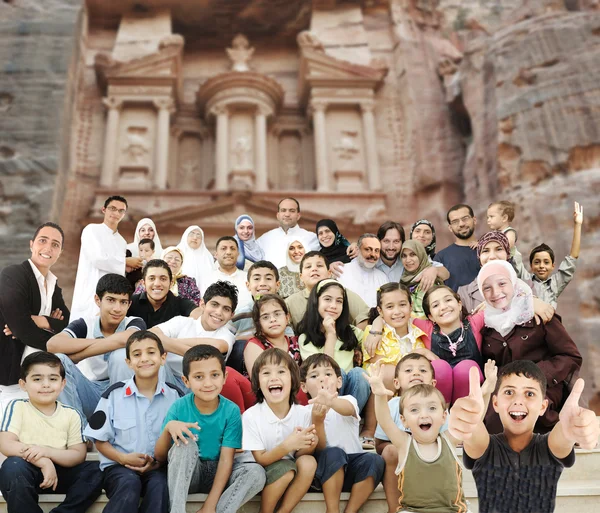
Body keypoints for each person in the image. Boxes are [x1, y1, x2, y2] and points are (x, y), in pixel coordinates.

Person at [449, 361, 599, 513]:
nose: (518, 401)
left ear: (542, 406)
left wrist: (570, 429)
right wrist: (468, 420)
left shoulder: (547, 447)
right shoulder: (487, 448)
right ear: (495, 403)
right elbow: (475, 434)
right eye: (509, 392)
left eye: (529, 394)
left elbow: (561, 438)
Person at [155, 345, 266, 513]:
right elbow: (160, 457)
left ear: (224, 377)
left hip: (220, 471)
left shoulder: (231, 410)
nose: (208, 383)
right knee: (185, 444)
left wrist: (209, 505)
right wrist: (168, 428)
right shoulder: (179, 407)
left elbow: (226, 460)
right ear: (186, 381)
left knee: (256, 473)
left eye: (214, 375)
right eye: (199, 377)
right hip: (190, 474)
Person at [477, 261, 582, 433]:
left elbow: (570, 355)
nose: (496, 292)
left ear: (514, 283)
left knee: (535, 411)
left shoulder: (539, 315)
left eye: (502, 283)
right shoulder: (486, 325)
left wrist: (536, 375)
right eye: (487, 288)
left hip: (544, 385)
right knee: (494, 416)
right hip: (505, 389)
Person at [83, 331, 182, 513]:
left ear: (163, 357)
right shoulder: (113, 395)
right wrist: (122, 458)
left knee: (160, 487)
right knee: (128, 484)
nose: (144, 358)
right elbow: (100, 440)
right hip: (118, 467)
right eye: (137, 354)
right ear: (128, 363)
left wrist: (158, 463)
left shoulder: (176, 397)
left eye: (151, 352)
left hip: (159, 468)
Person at [0, 352, 104, 512]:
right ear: (23, 384)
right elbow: (6, 443)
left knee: (96, 471)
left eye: (53, 379)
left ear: (63, 384)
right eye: (37, 379)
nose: (46, 385)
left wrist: (47, 452)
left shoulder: (71, 413)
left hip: (63, 472)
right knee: (12, 466)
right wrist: (43, 461)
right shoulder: (17, 407)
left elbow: (78, 454)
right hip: (27, 471)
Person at [364, 361, 470, 513]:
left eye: (432, 408)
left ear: (444, 417)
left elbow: (473, 419)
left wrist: (485, 393)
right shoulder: (404, 444)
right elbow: (384, 420)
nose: (424, 415)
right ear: (404, 420)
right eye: (415, 410)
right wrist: (379, 395)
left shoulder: (449, 440)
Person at [47, 274, 146, 420]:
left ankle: (123, 424)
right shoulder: (85, 324)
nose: (117, 308)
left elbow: (125, 339)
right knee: (59, 360)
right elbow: (52, 345)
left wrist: (79, 355)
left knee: (120, 354)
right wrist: (104, 343)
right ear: (97, 300)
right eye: (111, 300)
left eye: (123, 302)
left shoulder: (134, 322)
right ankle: (79, 431)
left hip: (124, 390)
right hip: (92, 391)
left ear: (129, 304)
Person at [150, 281, 254, 413]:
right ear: (202, 304)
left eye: (226, 309)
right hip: (169, 378)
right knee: (155, 360)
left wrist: (167, 343)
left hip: (198, 387)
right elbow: (151, 336)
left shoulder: (226, 336)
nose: (218, 312)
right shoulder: (181, 322)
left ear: (232, 315)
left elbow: (213, 349)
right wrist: (165, 342)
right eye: (214, 305)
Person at [301, 354, 385, 513]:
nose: (322, 379)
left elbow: (348, 409)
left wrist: (331, 401)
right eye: (314, 376)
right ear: (304, 386)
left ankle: (350, 510)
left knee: (374, 459)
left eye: (328, 374)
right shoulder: (304, 412)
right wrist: (317, 422)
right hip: (325, 473)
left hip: (354, 467)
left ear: (339, 382)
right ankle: (332, 510)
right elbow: (320, 448)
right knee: (333, 452)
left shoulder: (348, 400)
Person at [297, 279, 375, 444]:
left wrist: (377, 328)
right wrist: (330, 335)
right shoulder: (306, 338)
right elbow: (324, 370)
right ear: (316, 301)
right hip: (323, 391)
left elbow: (374, 335)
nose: (333, 305)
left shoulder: (352, 332)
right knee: (337, 372)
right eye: (327, 299)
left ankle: (351, 421)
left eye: (338, 301)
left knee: (359, 374)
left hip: (348, 395)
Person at [242, 348, 317, 513]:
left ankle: (283, 511)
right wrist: (288, 444)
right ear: (258, 383)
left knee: (308, 462)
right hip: (258, 472)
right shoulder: (251, 416)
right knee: (285, 470)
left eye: (281, 371)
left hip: (291, 470)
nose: (274, 377)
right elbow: (260, 460)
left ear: (293, 379)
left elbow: (301, 455)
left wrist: (309, 443)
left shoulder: (303, 413)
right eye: (266, 373)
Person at [0, 222, 69, 387]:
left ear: (60, 252)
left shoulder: (53, 285)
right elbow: (22, 329)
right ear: (32, 245)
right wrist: (55, 335)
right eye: (42, 240)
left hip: (41, 373)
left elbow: (67, 323)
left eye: (55, 244)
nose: (48, 248)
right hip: (10, 375)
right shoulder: (13, 275)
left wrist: (42, 321)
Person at [71, 195, 141, 321]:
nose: (116, 213)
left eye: (121, 211)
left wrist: (127, 268)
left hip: (111, 296)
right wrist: (125, 262)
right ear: (104, 210)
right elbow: (97, 259)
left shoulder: (121, 241)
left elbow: (116, 270)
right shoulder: (91, 230)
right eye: (113, 208)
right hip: (90, 289)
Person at [512, 201, 583, 309]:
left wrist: (577, 225)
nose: (541, 266)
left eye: (546, 262)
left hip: (549, 324)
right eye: (537, 262)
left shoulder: (555, 284)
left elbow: (573, 257)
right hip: (529, 324)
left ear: (552, 266)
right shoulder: (526, 281)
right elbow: (515, 256)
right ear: (531, 265)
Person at [362, 283, 428, 391]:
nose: (397, 312)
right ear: (380, 311)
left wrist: (427, 353)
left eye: (402, 305)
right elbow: (378, 365)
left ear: (411, 306)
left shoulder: (419, 333)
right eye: (390, 307)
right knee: (389, 372)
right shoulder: (373, 333)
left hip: (414, 392)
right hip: (382, 393)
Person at [286, 252, 370, 332]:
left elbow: (364, 315)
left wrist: (354, 342)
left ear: (329, 273)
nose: (314, 269)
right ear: (301, 276)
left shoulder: (342, 293)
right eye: (308, 267)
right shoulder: (290, 302)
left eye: (319, 265)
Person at [128, 260, 199, 329]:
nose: (157, 284)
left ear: (171, 283)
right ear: (143, 283)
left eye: (163, 279)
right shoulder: (131, 302)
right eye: (152, 278)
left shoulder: (180, 303)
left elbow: (198, 313)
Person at [243, 294, 301, 379]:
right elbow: (259, 381)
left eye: (277, 314)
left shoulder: (297, 342)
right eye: (265, 317)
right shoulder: (255, 345)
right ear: (258, 324)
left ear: (287, 318)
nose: (273, 319)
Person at [458, 230, 513, 314]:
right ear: (479, 257)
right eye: (485, 251)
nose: (492, 256)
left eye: (499, 249)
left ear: (507, 254)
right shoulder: (464, 293)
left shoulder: (526, 286)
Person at [257, 198, 319, 269]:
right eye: (283, 210)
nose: (287, 214)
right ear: (278, 215)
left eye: (292, 211)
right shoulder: (264, 239)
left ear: (298, 216)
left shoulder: (312, 238)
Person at [229, 260, 281, 339]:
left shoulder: (282, 313)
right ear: (248, 285)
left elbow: (289, 341)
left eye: (268, 278)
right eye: (257, 279)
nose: (262, 283)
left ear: (277, 285)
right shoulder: (238, 316)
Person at [434, 204, 480, 291]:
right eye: (455, 221)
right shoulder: (441, 257)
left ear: (474, 220)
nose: (461, 224)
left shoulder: (489, 249)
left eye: (465, 219)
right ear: (450, 228)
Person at [135, 247, 201, 305]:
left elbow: (196, 300)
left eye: (177, 259)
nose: (172, 261)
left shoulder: (188, 281)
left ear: (181, 264)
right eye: (169, 258)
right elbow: (137, 298)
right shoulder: (150, 278)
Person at [337, 233, 388, 308]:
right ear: (357, 250)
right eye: (368, 249)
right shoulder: (340, 272)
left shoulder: (382, 278)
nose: (373, 255)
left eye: (376, 251)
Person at [205, 237, 253, 313]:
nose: (228, 252)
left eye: (232, 249)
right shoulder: (206, 278)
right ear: (216, 254)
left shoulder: (249, 278)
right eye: (223, 248)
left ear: (238, 254)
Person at [399, 240, 443, 317]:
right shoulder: (404, 278)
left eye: (413, 255)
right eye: (404, 256)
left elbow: (425, 314)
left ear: (421, 255)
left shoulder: (428, 279)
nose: (408, 260)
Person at [177, 225, 215, 295]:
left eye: (198, 236)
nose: (195, 238)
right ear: (185, 236)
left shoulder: (207, 257)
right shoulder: (177, 253)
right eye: (191, 234)